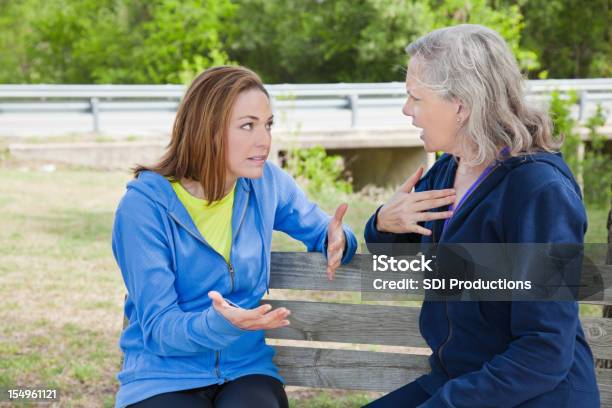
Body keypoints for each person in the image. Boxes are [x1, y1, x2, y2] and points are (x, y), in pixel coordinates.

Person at [364, 24, 599, 407]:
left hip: (531, 394)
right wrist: (384, 222)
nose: (407, 110)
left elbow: (544, 351)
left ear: (460, 104)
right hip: (460, 382)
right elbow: (396, 253)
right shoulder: (447, 170)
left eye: (415, 97)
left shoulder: (539, 191)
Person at [111, 65, 358, 408]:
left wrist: (339, 239)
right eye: (247, 126)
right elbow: (159, 329)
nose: (264, 140)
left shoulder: (266, 184)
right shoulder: (144, 208)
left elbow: (321, 228)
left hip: (245, 370)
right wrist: (220, 323)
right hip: (163, 376)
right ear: (207, 131)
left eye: (268, 125)